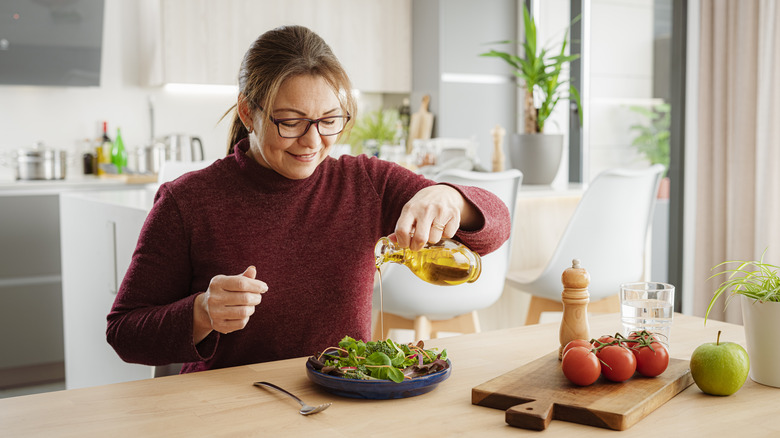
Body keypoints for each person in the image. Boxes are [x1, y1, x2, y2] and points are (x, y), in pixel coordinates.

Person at [106, 25, 511, 374]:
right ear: (249, 113)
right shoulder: (188, 201)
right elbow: (124, 332)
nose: (314, 141)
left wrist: (448, 196)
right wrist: (201, 313)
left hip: (339, 400)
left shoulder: (365, 182)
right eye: (292, 122)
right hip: (229, 407)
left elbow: (495, 228)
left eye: (329, 120)